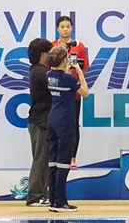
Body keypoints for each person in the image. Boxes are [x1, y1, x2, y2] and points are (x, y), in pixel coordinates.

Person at [46, 46, 89, 212]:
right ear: (64, 60)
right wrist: (78, 71)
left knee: (52, 161)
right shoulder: (69, 79)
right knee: (63, 162)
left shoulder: (48, 75)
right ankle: (60, 201)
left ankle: (52, 199)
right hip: (65, 122)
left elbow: (58, 75)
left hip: (52, 119)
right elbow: (85, 93)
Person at [51, 16, 90, 170]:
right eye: (62, 26)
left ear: (72, 28)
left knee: (73, 125)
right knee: (56, 125)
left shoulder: (79, 46)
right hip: (56, 92)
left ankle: (72, 158)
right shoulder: (52, 46)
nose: (65, 29)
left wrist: (74, 80)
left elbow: (84, 68)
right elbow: (50, 69)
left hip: (74, 93)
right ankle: (56, 157)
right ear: (57, 29)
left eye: (68, 26)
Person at [26, 38, 53, 207]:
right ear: (44, 54)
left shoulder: (37, 70)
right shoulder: (41, 72)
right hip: (40, 121)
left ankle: (42, 193)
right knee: (40, 158)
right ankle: (35, 195)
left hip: (41, 120)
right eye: (50, 53)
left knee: (44, 158)